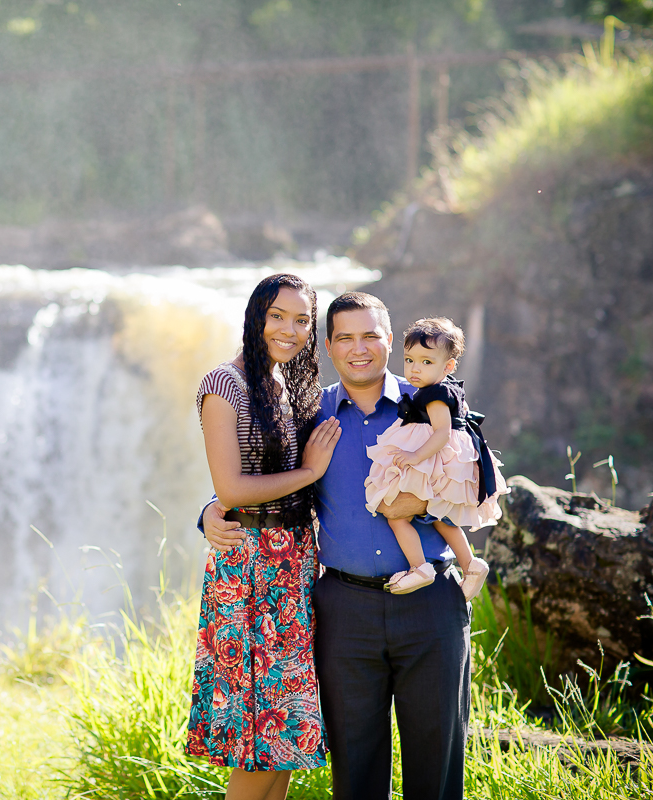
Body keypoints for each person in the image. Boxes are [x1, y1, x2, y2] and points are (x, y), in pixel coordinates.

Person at [202, 292, 471, 800]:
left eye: (371, 335)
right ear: (327, 345)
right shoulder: (309, 414)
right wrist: (211, 510)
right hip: (344, 611)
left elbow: (478, 479)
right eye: (345, 337)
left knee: (436, 771)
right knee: (355, 774)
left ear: (391, 341)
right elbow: (256, 475)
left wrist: (422, 501)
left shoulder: (434, 401)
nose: (359, 348)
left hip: (430, 601)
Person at [185, 273, 342, 800]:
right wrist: (308, 472)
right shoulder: (223, 385)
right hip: (250, 570)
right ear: (256, 315)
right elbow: (229, 485)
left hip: (294, 562)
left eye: (302, 321)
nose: (290, 329)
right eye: (279, 315)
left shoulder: (290, 388)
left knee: (284, 731)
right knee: (258, 731)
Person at [364, 316, 504, 597]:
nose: (415, 369)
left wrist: (414, 456)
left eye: (426, 362)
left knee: (393, 511)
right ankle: (471, 564)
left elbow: (441, 433)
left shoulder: (436, 394)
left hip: (437, 456)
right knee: (443, 516)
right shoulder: (442, 388)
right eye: (410, 360)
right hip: (444, 456)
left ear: (448, 366)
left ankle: (420, 567)